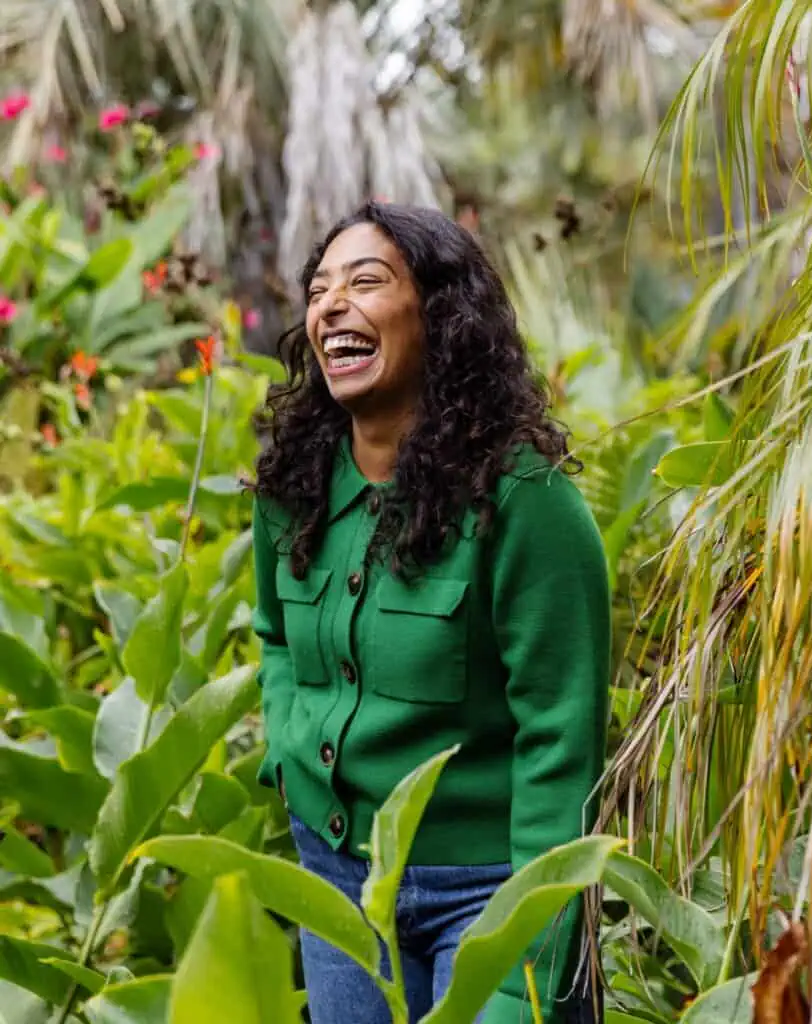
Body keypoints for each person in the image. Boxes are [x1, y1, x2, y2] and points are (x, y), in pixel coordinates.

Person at [251, 201, 610, 1023]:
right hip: (339, 878)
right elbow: (274, 636)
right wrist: (289, 749)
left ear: (441, 316)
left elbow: (560, 735)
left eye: (365, 282)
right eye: (318, 289)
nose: (330, 305)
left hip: (485, 892)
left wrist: (542, 931)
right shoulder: (289, 491)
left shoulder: (525, 503)